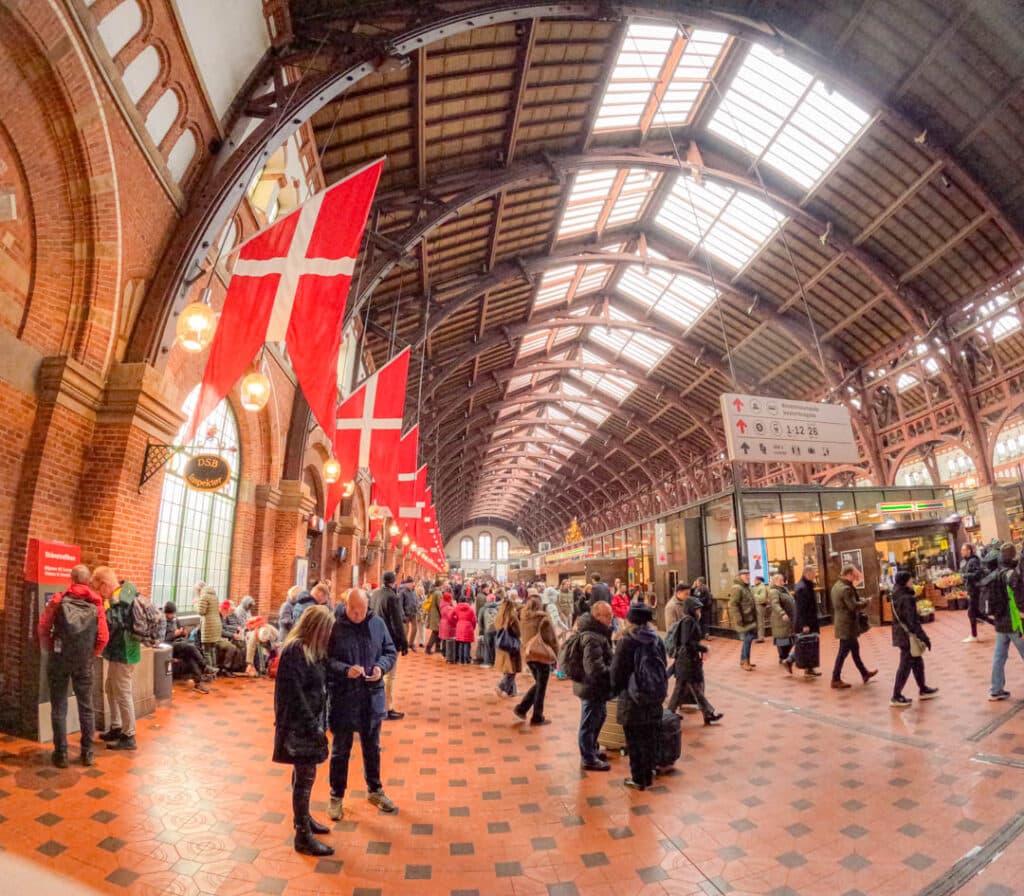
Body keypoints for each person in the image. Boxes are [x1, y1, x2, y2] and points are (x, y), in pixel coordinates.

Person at [326, 589, 398, 820]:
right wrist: (345, 670)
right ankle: (336, 796)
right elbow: (326, 659)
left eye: (362, 610)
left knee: (372, 747)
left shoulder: (377, 623)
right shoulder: (334, 625)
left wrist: (380, 667)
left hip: (371, 696)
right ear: (345, 605)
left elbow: (390, 651)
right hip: (344, 697)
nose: (358, 615)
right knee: (340, 751)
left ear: (368, 606)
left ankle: (375, 790)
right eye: (353, 610)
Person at [273, 603, 335, 856]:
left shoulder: (311, 650)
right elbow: (295, 695)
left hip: (309, 721)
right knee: (305, 778)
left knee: (304, 776)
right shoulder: (295, 651)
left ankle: (304, 818)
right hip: (300, 725)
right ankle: (302, 834)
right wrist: (313, 725)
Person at [38, 564, 109, 767]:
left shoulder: (58, 600)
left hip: (59, 660)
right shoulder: (97, 604)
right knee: (86, 707)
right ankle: (87, 753)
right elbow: (103, 638)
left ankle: (60, 754)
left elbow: (43, 627)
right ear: (88, 582)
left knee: (59, 706)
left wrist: (51, 648)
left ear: (71, 579)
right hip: (84, 662)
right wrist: (90, 655)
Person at [611, 604, 668, 790]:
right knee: (651, 736)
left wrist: (617, 689)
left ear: (629, 620)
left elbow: (617, 673)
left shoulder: (626, 641)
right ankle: (649, 773)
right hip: (654, 696)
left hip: (632, 698)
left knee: (634, 740)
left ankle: (639, 779)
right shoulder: (656, 640)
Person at [94, 567, 139, 751]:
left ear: (104, 585)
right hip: (118, 652)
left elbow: (115, 624)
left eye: (98, 588)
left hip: (125, 653)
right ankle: (116, 726)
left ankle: (129, 735)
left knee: (122, 692)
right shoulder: (122, 593)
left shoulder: (120, 597)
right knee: (111, 688)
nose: (98, 593)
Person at [666, 594, 722, 725]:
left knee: (688, 689)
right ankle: (670, 714)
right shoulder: (688, 621)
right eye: (697, 609)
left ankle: (707, 714)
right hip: (687, 661)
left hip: (686, 660)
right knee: (686, 689)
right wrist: (704, 648)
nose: (699, 612)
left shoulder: (690, 620)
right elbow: (688, 642)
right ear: (691, 609)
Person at [572, 601, 614, 771]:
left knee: (599, 716)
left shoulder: (597, 633)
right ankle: (588, 758)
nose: (611, 618)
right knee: (589, 722)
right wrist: (612, 670)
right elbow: (594, 668)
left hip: (595, 687)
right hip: (591, 687)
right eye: (607, 615)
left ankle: (592, 750)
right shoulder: (592, 637)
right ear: (597, 616)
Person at [889, 570, 938, 707]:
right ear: (905, 581)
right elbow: (912, 622)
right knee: (905, 666)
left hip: (900, 633)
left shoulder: (895, 594)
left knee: (917, 661)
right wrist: (924, 638)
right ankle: (896, 696)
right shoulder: (907, 598)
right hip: (907, 636)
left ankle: (923, 688)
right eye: (910, 580)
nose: (912, 582)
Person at [830, 565, 877, 689]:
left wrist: (861, 600)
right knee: (842, 653)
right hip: (847, 625)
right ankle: (835, 678)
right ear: (849, 574)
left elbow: (849, 601)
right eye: (854, 575)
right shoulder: (846, 588)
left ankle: (864, 673)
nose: (856, 577)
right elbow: (853, 606)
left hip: (843, 624)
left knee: (855, 650)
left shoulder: (837, 586)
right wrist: (866, 602)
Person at [513, 595, 558, 725]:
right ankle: (536, 716)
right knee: (541, 686)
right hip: (542, 655)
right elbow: (551, 639)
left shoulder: (523, 617)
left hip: (529, 654)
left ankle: (522, 709)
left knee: (539, 684)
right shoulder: (543, 619)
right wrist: (556, 654)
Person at [369, 571, 408, 719]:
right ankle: (385, 708)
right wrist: (404, 643)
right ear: (393, 581)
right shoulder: (392, 597)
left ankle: (375, 705)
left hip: (375, 638)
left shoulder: (375, 594)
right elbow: (397, 622)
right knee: (389, 676)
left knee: (377, 671)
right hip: (389, 641)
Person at [988, 543, 1024, 701]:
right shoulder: (1012, 575)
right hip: (1014, 622)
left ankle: (995, 690)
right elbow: (1019, 600)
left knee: (999, 657)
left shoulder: (996, 573)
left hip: (1000, 621)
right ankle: (996, 689)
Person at [162, 602, 213, 693]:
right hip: (169, 646)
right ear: (166, 613)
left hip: (180, 643)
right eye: (171, 614)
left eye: (173, 613)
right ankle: (205, 666)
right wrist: (174, 634)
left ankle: (197, 683)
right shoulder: (162, 622)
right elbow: (162, 640)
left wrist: (183, 632)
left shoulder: (175, 620)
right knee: (190, 647)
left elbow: (181, 631)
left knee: (190, 655)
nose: (173, 615)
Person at [793, 565, 822, 677]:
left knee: (809, 644)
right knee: (807, 644)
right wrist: (804, 624)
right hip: (806, 621)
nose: (815, 575)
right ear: (807, 573)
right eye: (813, 573)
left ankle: (809, 668)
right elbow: (801, 608)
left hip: (810, 620)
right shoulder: (802, 587)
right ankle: (803, 666)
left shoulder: (806, 585)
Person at [729, 569, 758, 671]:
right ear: (740, 576)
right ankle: (745, 661)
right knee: (747, 639)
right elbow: (733, 605)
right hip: (743, 619)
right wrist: (738, 619)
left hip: (749, 618)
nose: (748, 577)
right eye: (745, 575)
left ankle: (744, 660)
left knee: (748, 639)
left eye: (748, 575)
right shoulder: (737, 588)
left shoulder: (746, 587)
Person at [494, 594, 521, 697]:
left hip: (501, 644)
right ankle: (501, 686)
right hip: (511, 645)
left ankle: (512, 691)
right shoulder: (512, 617)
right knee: (512, 669)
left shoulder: (499, 616)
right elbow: (518, 632)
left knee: (507, 668)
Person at [768, 574, 797, 671]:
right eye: (780, 580)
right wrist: (782, 613)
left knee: (790, 638)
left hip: (790, 618)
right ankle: (783, 657)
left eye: (783, 580)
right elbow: (775, 604)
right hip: (780, 619)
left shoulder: (784, 589)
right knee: (782, 639)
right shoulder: (774, 591)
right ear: (775, 581)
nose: (782, 582)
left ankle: (785, 657)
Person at [960, 543, 986, 643]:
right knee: (978, 614)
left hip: (975, 591)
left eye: (963, 550)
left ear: (969, 551)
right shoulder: (967, 561)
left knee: (971, 613)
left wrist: (965, 575)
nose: (962, 552)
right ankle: (999, 625)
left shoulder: (973, 560)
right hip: (972, 590)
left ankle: (974, 635)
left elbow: (978, 573)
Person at [197, 583, 223, 670]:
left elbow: (201, 612)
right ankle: (215, 669)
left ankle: (211, 671)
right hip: (217, 624)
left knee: (206, 651)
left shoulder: (204, 597)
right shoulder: (214, 596)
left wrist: (196, 604)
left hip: (209, 625)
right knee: (212, 649)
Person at [453, 596, 477, 664]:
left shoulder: (457, 608)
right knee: (467, 643)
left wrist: (456, 622)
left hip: (459, 625)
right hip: (468, 626)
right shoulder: (470, 609)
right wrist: (473, 627)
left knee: (460, 643)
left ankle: (461, 659)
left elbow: (453, 616)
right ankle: (467, 659)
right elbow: (474, 620)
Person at [398, 577, 419, 652]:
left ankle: (411, 643)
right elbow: (400, 604)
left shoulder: (413, 591)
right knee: (405, 630)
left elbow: (415, 600)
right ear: (407, 584)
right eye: (411, 583)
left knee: (415, 629)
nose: (413, 584)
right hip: (406, 614)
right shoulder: (402, 592)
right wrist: (402, 614)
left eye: (413, 583)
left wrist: (417, 606)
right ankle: (403, 644)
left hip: (413, 613)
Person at [424, 580, 444, 655]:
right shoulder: (438, 593)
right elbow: (440, 605)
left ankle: (437, 648)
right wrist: (444, 612)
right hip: (436, 615)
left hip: (433, 614)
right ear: (441, 585)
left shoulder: (433, 591)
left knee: (438, 631)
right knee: (436, 632)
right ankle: (428, 648)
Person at [752, 576, 769, 643]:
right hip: (756, 605)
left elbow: (762, 598)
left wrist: (754, 594)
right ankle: (758, 636)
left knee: (760, 621)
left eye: (755, 580)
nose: (754, 581)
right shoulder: (755, 587)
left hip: (760, 606)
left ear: (759, 580)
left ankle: (761, 637)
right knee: (758, 621)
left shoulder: (762, 587)